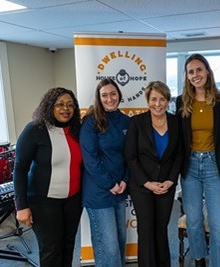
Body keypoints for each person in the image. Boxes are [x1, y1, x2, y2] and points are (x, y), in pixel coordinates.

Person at [13, 87, 83, 266]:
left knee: (68, 245)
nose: (65, 109)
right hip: (43, 201)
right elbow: (20, 169)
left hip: (73, 200)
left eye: (70, 105)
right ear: (49, 106)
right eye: (59, 104)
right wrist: (21, 206)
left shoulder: (78, 129)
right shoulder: (35, 129)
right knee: (51, 248)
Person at [176, 53, 220, 267]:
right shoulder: (181, 102)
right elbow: (179, 137)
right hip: (191, 167)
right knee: (194, 221)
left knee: (217, 224)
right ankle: (199, 259)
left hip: (213, 164)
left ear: (207, 71)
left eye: (199, 70)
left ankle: (219, 263)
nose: (195, 75)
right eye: (191, 72)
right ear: (187, 77)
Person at [125, 81, 183, 267]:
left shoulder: (176, 122)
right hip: (142, 186)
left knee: (161, 228)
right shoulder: (137, 122)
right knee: (147, 229)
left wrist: (171, 180)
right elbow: (131, 157)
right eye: (154, 99)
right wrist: (147, 183)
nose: (158, 104)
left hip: (166, 185)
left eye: (162, 99)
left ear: (168, 101)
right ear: (147, 100)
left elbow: (180, 154)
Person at [79, 78, 130, 266]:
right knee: (107, 248)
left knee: (119, 242)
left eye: (113, 94)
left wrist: (125, 179)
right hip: (99, 192)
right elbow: (90, 160)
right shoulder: (91, 123)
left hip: (120, 190)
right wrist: (110, 184)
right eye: (105, 95)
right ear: (99, 99)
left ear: (119, 95)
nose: (110, 99)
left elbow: (129, 155)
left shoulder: (126, 121)